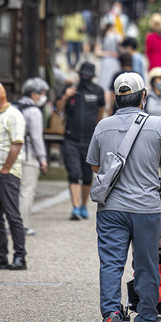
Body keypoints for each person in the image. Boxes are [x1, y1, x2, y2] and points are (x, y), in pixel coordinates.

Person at [86, 71, 161, 322]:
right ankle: (147, 319)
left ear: (117, 99)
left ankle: (111, 313)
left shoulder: (102, 126)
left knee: (110, 262)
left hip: (111, 208)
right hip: (146, 207)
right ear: (143, 97)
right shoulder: (158, 125)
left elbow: (95, 166)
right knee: (146, 262)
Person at [56, 62, 106, 221]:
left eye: (88, 76)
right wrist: (66, 96)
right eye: (83, 75)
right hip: (71, 139)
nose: (85, 78)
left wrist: (98, 130)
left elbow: (100, 110)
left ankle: (84, 205)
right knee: (74, 173)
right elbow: (58, 110)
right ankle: (75, 207)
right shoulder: (71, 90)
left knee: (86, 175)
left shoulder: (98, 91)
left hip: (90, 140)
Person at [0, 81, 27, 270]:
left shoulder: (13, 115)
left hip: (7, 173)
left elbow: (17, 143)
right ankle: (0, 255)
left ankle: (20, 256)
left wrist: (6, 169)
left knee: (12, 215)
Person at [15, 78, 49, 236]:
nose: (43, 96)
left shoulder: (14, 106)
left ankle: (7, 223)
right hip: (28, 155)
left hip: (11, 154)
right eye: (42, 93)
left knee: (11, 191)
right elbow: (36, 137)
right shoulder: (34, 111)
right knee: (26, 191)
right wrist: (42, 159)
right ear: (34, 94)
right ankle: (22, 225)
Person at [96, 21, 121, 102]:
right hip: (114, 62)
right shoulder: (117, 36)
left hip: (106, 62)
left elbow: (97, 52)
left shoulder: (102, 36)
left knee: (105, 83)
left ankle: (105, 103)